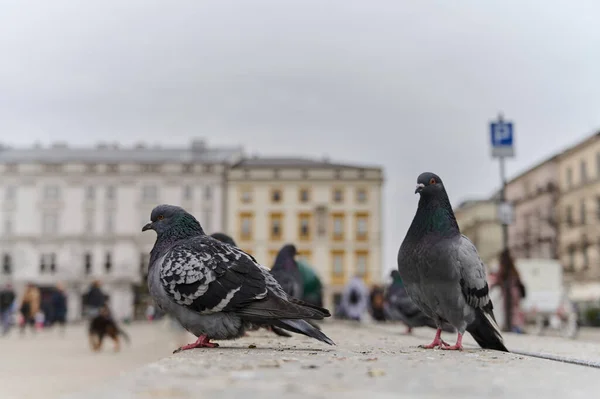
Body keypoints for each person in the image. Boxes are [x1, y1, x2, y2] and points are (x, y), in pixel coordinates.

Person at [489, 249, 526, 333]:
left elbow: (496, 281)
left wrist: (490, 288)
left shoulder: (502, 268)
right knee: (515, 314)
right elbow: (519, 282)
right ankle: (515, 329)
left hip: (507, 296)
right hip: (515, 295)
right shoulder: (514, 269)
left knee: (507, 314)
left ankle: (510, 329)